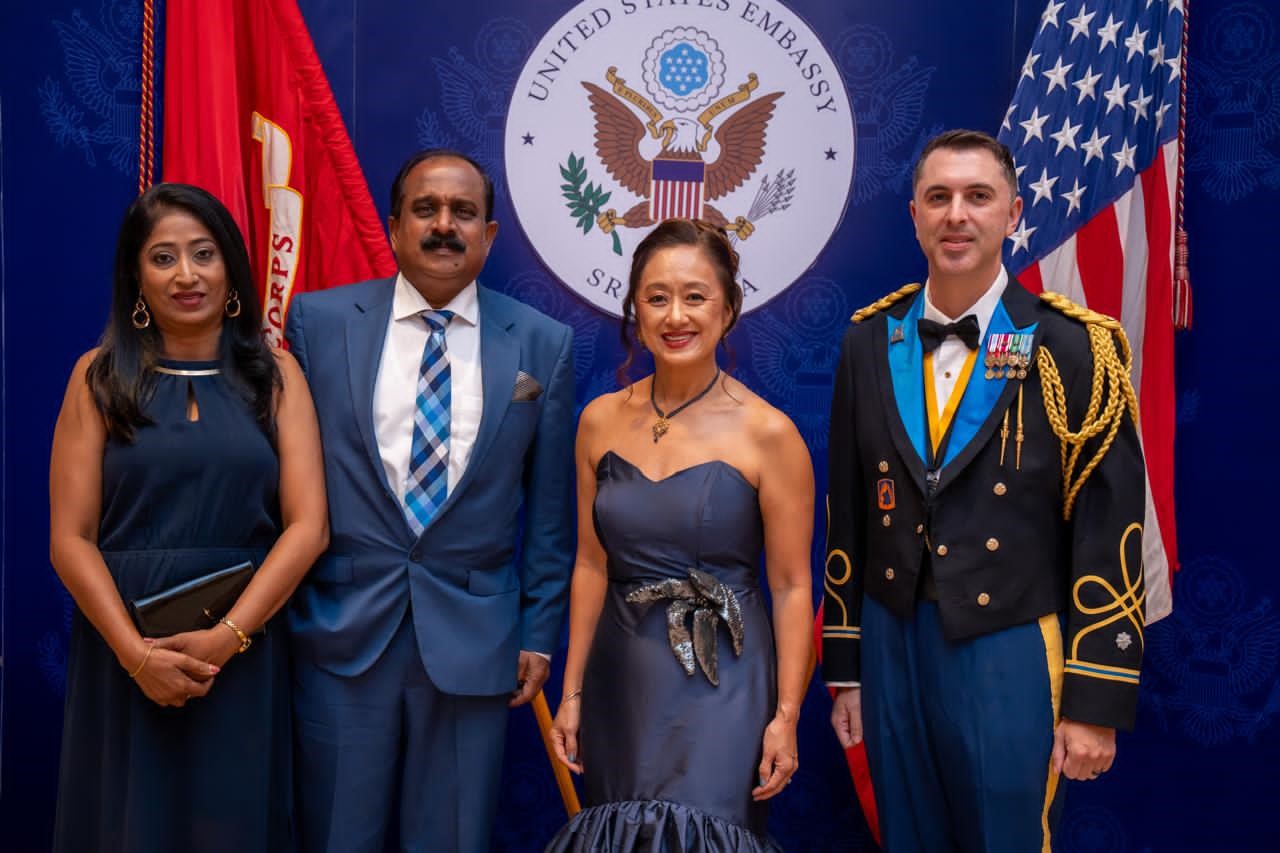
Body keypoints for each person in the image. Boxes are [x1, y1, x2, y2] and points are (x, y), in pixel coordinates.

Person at [822, 129, 1147, 852]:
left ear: (1013, 213)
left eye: (978, 196)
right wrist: (847, 669)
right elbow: (847, 517)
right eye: (938, 197)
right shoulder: (868, 343)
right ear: (914, 216)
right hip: (891, 640)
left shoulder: (1074, 347)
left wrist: (1096, 696)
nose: (957, 215)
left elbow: (1109, 526)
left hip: (1008, 641)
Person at [284, 149, 575, 853]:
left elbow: (550, 514)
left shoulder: (544, 343)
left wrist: (539, 632)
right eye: (425, 209)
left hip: (476, 638)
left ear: (489, 234)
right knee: (335, 837)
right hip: (342, 633)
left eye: (463, 212)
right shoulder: (317, 323)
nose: (444, 225)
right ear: (394, 227)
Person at [49, 182, 328, 853]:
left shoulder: (277, 376)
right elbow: (69, 539)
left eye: (203, 254)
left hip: (241, 651)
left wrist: (228, 637)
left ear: (230, 267)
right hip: (123, 650)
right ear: (136, 278)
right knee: (129, 826)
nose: (186, 275)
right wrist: (135, 654)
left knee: (231, 825)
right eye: (163, 257)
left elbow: (309, 527)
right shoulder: (97, 377)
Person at [547, 218, 814, 851]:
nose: (675, 316)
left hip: (727, 678)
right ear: (635, 309)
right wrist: (572, 692)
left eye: (695, 296)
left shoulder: (769, 434)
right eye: (657, 297)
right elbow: (590, 565)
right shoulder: (598, 421)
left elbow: (791, 586)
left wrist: (786, 715)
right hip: (622, 676)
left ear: (727, 309)